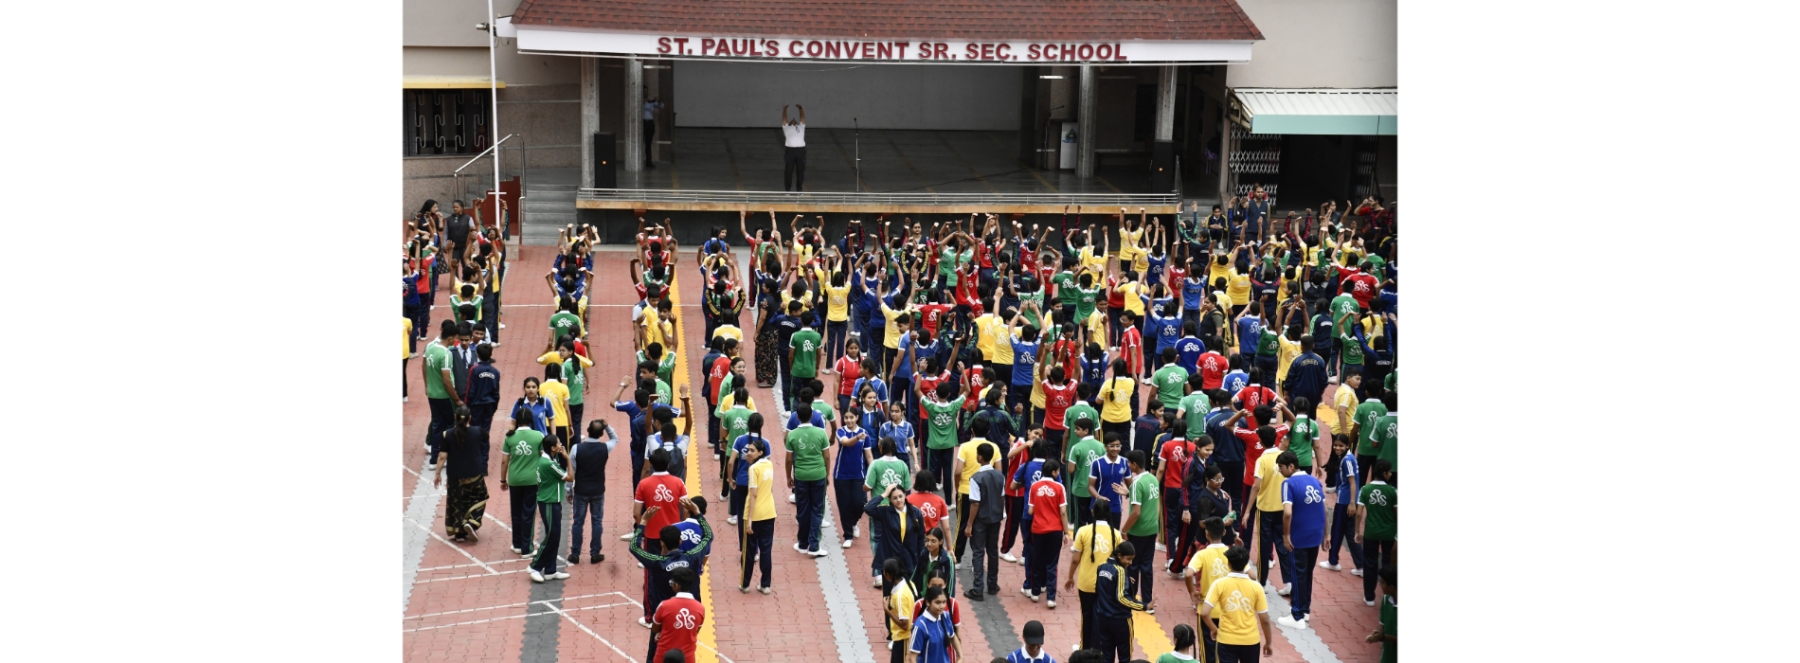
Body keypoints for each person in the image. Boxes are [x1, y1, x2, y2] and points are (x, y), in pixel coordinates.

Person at [627, 497, 713, 629]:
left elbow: (634, 547)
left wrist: (643, 522)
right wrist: (697, 513)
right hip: (690, 616)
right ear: (680, 541)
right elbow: (708, 536)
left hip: (666, 618)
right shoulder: (692, 557)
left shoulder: (657, 562)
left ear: (662, 543)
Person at [1275, 451, 1325, 629]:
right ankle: (1305, 610)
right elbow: (1324, 509)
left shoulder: (1288, 484)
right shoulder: (1314, 481)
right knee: (1308, 573)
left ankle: (1296, 615)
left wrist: (1286, 535)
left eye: (1281, 467)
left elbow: (1287, 512)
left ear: (1291, 466)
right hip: (1315, 535)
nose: (1280, 471)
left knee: (1297, 574)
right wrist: (1326, 535)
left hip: (1299, 537)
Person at [1200, 546, 1273, 663]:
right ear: (1246, 564)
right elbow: (1265, 620)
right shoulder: (1256, 587)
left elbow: (1204, 613)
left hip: (1226, 640)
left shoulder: (1219, 584)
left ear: (1229, 563)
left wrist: (1214, 629)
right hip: (1251, 641)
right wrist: (1268, 643)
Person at [1066, 501, 1119, 652]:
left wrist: (1070, 577)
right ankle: (1099, 648)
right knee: (1102, 617)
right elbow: (1120, 562)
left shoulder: (1083, 531)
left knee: (1087, 616)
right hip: (1107, 584)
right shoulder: (1116, 534)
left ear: (1093, 512)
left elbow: (1075, 559)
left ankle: (1085, 648)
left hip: (1086, 583)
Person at [432, 405, 488, 542]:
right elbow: (485, 440)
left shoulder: (447, 434)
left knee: (457, 502)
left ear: (455, 417)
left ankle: (459, 533)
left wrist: (437, 474)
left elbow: (442, 456)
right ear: (470, 418)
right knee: (479, 497)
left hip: (455, 476)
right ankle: (472, 522)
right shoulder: (478, 431)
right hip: (474, 474)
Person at [1181, 518, 1231, 663]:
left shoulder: (1201, 554)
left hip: (1207, 610)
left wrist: (1192, 592)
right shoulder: (1231, 552)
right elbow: (1249, 575)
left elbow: (1188, 574)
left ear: (1207, 534)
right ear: (1224, 532)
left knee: (1208, 651)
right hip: (1228, 610)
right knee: (1226, 650)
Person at [1092, 540, 1151, 663]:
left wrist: (1125, 580)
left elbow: (1098, 588)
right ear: (1119, 555)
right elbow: (1122, 598)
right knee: (1125, 656)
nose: (1130, 563)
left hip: (1103, 618)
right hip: (1120, 620)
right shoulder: (1120, 571)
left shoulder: (1101, 567)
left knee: (1107, 655)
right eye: (1128, 559)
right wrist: (1144, 606)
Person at [1117, 450, 1161, 612]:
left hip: (1138, 531)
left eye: (1129, 463)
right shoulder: (1153, 479)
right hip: (1152, 528)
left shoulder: (1136, 484)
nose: (1128, 466)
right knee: (1147, 566)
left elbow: (1136, 512)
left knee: (1133, 565)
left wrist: (1124, 529)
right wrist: (1128, 493)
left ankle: (1131, 599)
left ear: (1134, 464)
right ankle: (1148, 602)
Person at [568, 419, 617, 564]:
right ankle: (595, 553)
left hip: (580, 490)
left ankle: (575, 553)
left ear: (587, 430)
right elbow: (615, 438)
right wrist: (607, 426)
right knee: (597, 522)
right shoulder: (605, 447)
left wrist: (568, 491)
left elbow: (571, 471)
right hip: (598, 490)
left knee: (578, 522)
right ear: (601, 434)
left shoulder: (576, 448)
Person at [787, 403, 832, 556]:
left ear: (797, 417)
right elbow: (827, 456)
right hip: (819, 474)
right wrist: (827, 474)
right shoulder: (821, 433)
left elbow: (788, 459)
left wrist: (788, 477)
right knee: (817, 510)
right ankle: (814, 546)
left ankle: (802, 543)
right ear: (812, 415)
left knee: (803, 509)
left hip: (800, 475)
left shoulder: (792, 435)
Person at [964, 442, 1005, 601]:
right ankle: (992, 585)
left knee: (978, 552)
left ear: (980, 457)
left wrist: (969, 524)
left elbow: (975, 503)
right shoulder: (1000, 476)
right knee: (993, 551)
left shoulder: (976, 478)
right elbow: (1002, 497)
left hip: (980, 520)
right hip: (995, 518)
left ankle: (978, 589)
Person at [1022, 459, 1066, 608]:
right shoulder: (1060, 487)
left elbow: (1030, 510)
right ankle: (1051, 598)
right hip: (1055, 530)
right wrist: (1066, 532)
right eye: (1058, 471)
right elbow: (1063, 512)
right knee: (1052, 563)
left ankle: (1035, 593)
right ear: (1053, 472)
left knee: (1037, 560)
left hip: (1038, 529)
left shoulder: (1034, 486)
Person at [528, 434, 570, 583]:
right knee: (552, 536)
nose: (561, 444)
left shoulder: (549, 459)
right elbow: (570, 477)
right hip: (549, 502)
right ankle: (534, 566)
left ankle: (550, 570)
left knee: (555, 536)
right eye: (558, 443)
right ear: (552, 448)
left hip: (552, 501)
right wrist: (568, 458)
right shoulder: (548, 464)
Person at [502, 413, 546, 556]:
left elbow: (504, 461)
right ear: (530, 420)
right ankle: (527, 549)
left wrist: (503, 480)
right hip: (532, 480)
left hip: (514, 480)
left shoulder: (509, 437)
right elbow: (544, 458)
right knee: (528, 513)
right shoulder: (538, 436)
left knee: (516, 512)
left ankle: (517, 544)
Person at [1322, 435, 1366, 575]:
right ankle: (1358, 564)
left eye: (1341, 445)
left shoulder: (1347, 460)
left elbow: (1352, 482)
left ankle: (1334, 561)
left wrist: (1352, 503)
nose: (1337, 448)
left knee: (1338, 530)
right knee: (1345, 531)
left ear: (1347, 445)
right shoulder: (1348, 458)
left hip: (1345, 501)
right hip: (1346, 500)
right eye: (1335, 445)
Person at [1356, 459, 1397, 607]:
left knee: (1369, 563)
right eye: (1389, 472)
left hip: (1371, 532)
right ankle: (1389, 595)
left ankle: (1369, 597)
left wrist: (1357, 531)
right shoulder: (1393, 491)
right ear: (1384, 473)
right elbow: (1397, 513)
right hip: (1389, 533)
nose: (1391, 474)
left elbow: (1359, 513)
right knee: (1388, 563)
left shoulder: (1365, 489)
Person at [424, 320, 464, 471]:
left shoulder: (430, 347)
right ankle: (448, 457)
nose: (457, 341)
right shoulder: (446, 354)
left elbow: (424, 366)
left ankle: (434, 460)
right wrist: (457, 399)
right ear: (451, 338)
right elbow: (447, 380)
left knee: (437, 426)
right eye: (456, 338)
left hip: (432, 394)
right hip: (445, 396)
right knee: (450, 427)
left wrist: (427, 385)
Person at [739, 437, 776, 593]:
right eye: (748, 450)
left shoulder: (753, 469)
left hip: (755, 514)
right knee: (766, 550)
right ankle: (765, 585)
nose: (748, 453)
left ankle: (745, 584)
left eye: (752, 450)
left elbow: (753, 494)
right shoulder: (769, 464)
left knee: (748, 551)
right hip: (769, 512)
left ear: (760, 452)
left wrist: (749, 520)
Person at [834, 407, 874, 548]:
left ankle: (853, 522)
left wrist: (874, 471)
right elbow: (846, 443)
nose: (849, 420)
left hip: (859, 474)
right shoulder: (840, 431)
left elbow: (868, 455)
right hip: (841, 475)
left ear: (857, 417)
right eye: (846, 417)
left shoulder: (864, 434)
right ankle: (848, 536)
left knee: (860, 503)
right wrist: (857, 437)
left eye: (851, 417)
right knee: (844, 505)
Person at [649, 568, 704, 663]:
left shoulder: (664, 605)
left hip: (663, 657)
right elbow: (695, 631)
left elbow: (655, 628)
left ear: (676, 586)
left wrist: (660, 633)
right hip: (688, 658)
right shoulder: (700, 608)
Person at [908, 585, 961, 663]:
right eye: (937, 602)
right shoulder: (920, 626)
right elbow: (912, 658)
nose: (942, 606)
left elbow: (952, 637)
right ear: (928, 602)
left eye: (944, 602)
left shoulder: (945, 616)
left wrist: (961, 656)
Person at [884, 559, 919, 663]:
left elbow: (904, 625)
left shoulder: (900, 595)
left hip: (903, 639)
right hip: (907, 636)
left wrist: (887, 610)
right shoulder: (909, 583)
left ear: (888, 575)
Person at [1367, 565, 1397, 663]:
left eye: (1383, 582)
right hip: (1387, 657)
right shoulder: (1385, 600)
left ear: (1391, 587)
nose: (1380, 585)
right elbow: (1382, 625)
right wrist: (1378, 632)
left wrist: (1383, 637)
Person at [782, 104, 807, 191]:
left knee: (800, 170)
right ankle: (787, 189)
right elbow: (784, 119)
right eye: (791, 120)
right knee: (788, 170)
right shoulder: (786, 128)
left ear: (796, 123)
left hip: (800, 150)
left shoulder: (801, 127)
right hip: (790, 150)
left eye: (794, 120)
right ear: (789, 123)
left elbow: (802, 118)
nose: (793, 120)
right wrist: (784, 109)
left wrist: (800, 108)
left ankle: (799, 189)